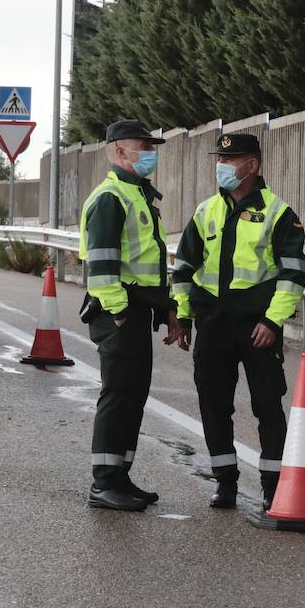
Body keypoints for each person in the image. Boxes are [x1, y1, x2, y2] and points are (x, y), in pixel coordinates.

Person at [172, 133, 305, 510]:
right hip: (213, 324)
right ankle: (225, 482)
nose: (222, 166)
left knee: (267, 404)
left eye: (231, 160)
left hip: (257, 326)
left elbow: (293, 275)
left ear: (253, 165)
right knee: (213, 403)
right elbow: (183, 269)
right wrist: (183, 315)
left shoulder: (279, 213)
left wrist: (273, 322)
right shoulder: (205, 212)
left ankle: (272, 485)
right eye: (220, 159)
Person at [77, 119, 186, 511]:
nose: (151, 153)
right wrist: (122, 314)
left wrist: (169, 308)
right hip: (117, 315)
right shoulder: (111, 198)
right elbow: (102, 270)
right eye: (145, 146)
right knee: (118, 396)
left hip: (137, 313)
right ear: (120, 151)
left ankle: (120, 477)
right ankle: (104, 483)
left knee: (132, 398)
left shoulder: (137, 195)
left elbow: (148, 263)